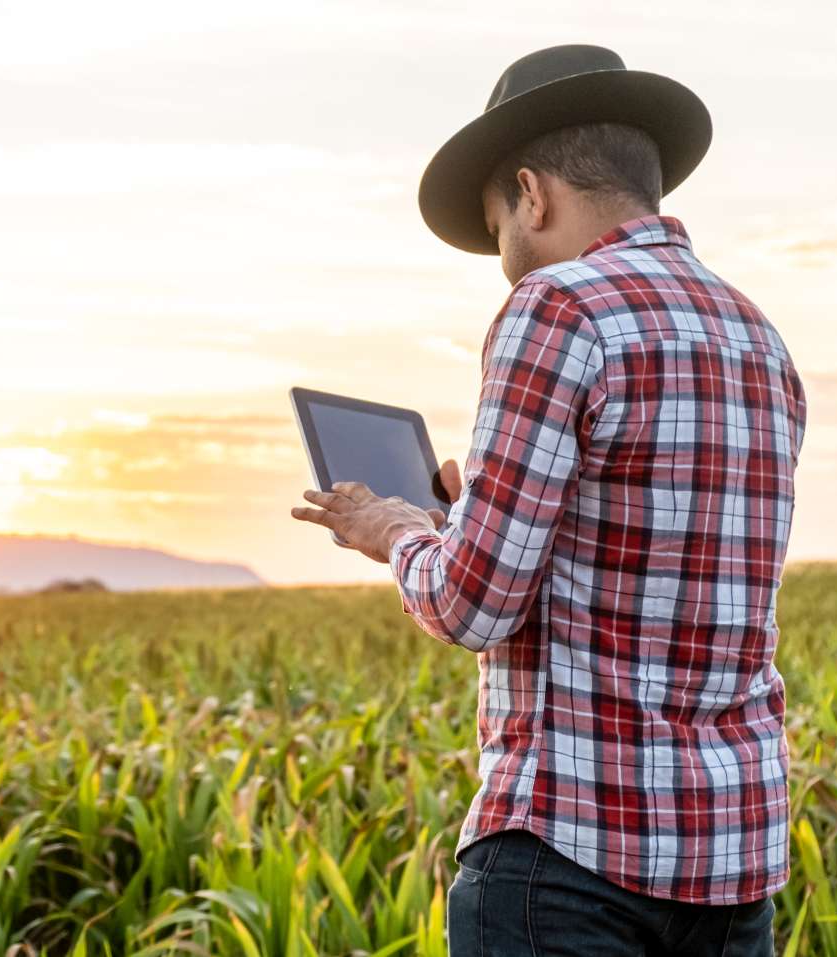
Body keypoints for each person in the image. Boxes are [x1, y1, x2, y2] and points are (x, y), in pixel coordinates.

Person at [291, 43, 807, 957]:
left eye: (496, 227)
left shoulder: (556, 306)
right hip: (733, 862)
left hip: (573, 859)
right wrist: (473, 514)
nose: (505, 254)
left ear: (532, 194)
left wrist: (398, 530)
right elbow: (647, 553)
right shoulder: (754, 334)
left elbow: (471, 604)